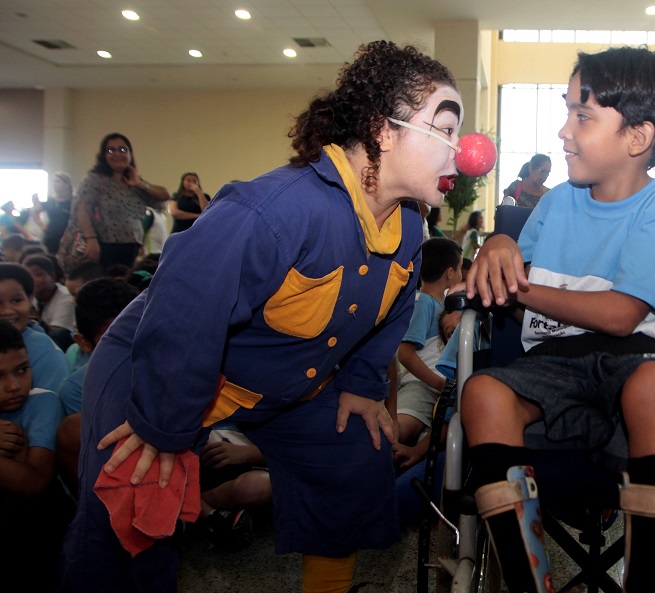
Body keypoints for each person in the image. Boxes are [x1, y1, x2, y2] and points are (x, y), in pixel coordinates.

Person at [58, 40, 465, 593]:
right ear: (383, 130)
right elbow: (183, 308)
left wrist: (363, 383)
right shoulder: (278, 208)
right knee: (134, 512)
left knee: (349, 458)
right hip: (162, 367)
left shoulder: (411, 228)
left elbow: (394, 309)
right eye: (443, 129)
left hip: (279, 381)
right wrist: (162, 423)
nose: (461, 153)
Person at [462, 46, 655, 592]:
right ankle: (527, 583)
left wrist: (519, 282)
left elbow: (621, 317)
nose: (564, 131)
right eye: (568, 110)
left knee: (650, 386)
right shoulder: (554, 205)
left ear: (637, 138)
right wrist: (499, 244)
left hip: (640, 358)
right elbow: (508, 267)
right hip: (553, 363)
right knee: (481, 393)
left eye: (582, 115)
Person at [55, 278, 140, 494]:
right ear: (84, 343)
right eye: (114, 341)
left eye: (139, 332)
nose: (132, 347)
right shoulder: (75, 389)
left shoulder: (170, 363)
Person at [0, 321, 68, 588]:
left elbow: (33, 484)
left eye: (22, 370)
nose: (14, 386)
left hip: (37, 531)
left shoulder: (42, 401)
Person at [395, 237, 462, 450]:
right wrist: (440, 384)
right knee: (403, 430)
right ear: (450, 273)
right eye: (460, 268)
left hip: (439, 388)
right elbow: (405, 353)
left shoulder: (442, 305)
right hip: (423, 385)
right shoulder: (424, 302)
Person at [71, 132, 171, 269]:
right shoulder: (94, 179)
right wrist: (91, 239)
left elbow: (165, 195)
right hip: (103, 246)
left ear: (130, 154)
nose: (117, 154)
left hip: (132, 247)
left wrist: (140, 184)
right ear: (104, 155)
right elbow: (81, 209)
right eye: (111, 150)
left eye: (123, 150)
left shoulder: (132, 180)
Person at [0, 263, 69, 393]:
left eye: (16, 300)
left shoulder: (45, 351)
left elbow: (48, 404)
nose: (6, 311)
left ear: (30, 300)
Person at [23, 254, 75, 333]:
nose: (32, 279)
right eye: (28, 275)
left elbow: (56, 332)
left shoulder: (66, 298)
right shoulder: (29, 297)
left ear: (52, 277)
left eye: (38, 274)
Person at [44, 172, 75, 255]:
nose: (54, 184)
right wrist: (44, 227)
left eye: (57, 181)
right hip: (52, 236)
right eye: (53, 181)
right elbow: (34, 212)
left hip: (69, 236)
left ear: (66, 184)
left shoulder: (74, 200)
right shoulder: (51, 200)